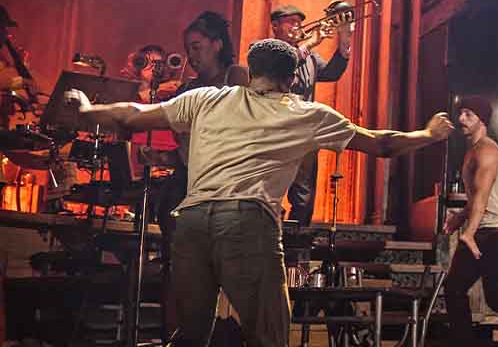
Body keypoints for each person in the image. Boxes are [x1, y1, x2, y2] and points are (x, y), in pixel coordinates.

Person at [64, 38, 453, 347]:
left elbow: (131, 114)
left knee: (191, 336)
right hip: (246, 222)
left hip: (192, 223)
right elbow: (382, 144)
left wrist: (84, 110)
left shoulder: (205, 98)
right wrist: (429, 134)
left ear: (251, 71)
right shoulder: (306, 113)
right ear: (292, 75)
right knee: (269, 335)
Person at [157, 11, 250, 338]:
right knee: (179, 270)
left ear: (217, 44)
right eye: (188, 49)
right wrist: (161, 154)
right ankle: (179, 335)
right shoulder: (188, 89)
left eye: (197, 47)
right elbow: (183, 144)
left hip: (223, 187)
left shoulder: (236, 77)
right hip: (186, 185)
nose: (191, 56)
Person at [441, 95, 498, 346]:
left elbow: (483, 198)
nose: (461, 119)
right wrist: (460, 218)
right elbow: (476, 198)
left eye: (468, 115)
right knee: (454, 289)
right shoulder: (471, 151)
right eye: (461, 113)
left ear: (482, 120)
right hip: (480, 230)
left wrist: (468, 233)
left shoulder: (487, 152)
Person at [269, 3, 352, 226]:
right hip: (274, 131)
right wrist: (311, 42)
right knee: (269, 192)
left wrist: (344, 34)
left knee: (304, 198)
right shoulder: (266, 50)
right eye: (290, 22)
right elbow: (281, 66)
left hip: (304, 132)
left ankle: (297, 247)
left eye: (299, 22)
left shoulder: (311, 57)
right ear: (275, 26)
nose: (297, 26)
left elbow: (333, 72)